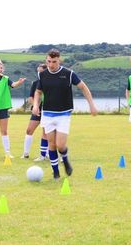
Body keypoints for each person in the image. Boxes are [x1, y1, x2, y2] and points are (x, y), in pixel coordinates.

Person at [32, 49, 98, 180]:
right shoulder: (42, 75)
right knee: (51, 144)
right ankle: (55, 172)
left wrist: (91, 105)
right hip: (47, 114)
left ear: (59, 60)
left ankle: (65, 159)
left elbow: (83, 88)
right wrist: (35, 105)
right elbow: (38, 92)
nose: (51, 65)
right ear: (46, 60)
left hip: (63, 114)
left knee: (60, 145)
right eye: (49, 61)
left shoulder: (68, 74)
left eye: (54, 62)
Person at [20, 63, 49, 162]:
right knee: (29, 130)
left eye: (41, 71)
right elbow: (30, 98)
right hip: (37, 110)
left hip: (48, 110)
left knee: (47, 132)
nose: (39, 73)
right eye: (38, 71)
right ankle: (26, 154)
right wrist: (35, 106)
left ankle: (47, 154)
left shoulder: (51, 82)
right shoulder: (35, 83)